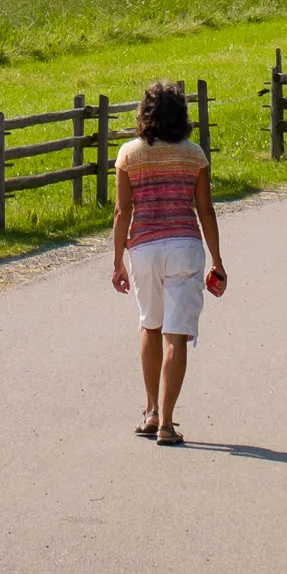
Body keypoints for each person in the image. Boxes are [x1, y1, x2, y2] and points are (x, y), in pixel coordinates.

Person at [110, 79, 225, 446]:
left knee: (150, 325)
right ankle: (167, 423)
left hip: (143, 249)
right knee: (176, 333)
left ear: (144, 114)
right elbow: (204, 210)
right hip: (185, 247)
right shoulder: (195, 155)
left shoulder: (128, 154)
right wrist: (218, 261)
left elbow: (121, 210)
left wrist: (117, 261)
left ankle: (150, 412)